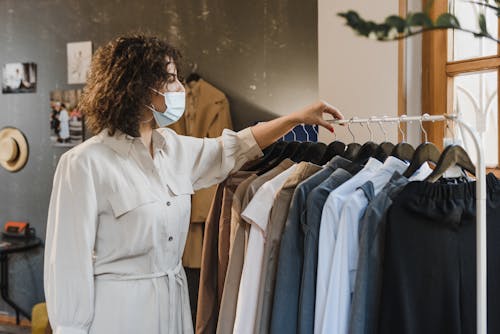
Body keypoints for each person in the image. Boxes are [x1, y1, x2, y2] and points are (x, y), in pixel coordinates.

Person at [44, 34, 343, 334]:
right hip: (118, 315)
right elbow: (68, 266)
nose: (180, 88)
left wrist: (295, 119)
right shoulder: (84, 163)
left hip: (173, 308)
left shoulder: (173, 149)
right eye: (171, 78)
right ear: (137, 85)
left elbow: (233, 147)